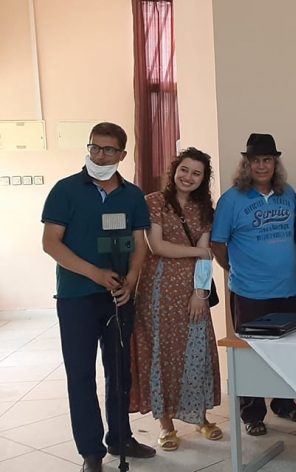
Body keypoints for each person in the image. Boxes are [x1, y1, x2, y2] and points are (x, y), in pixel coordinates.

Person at [41, 122, 157, 472]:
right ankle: (90, 451)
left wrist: (132, 280)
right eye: (95, 148)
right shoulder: (66, 190)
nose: (100, 156)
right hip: (77, 298)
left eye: (108, 150)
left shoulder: (133, 195)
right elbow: (51, 243)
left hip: (119, 298)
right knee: (80, 374)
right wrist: (94, 273)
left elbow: (140, 244)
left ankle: (120, 438)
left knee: (120, 373)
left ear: (122, 154)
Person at [211, 133, 296, 436]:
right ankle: (252, 413)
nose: (262, 166)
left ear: (275, 164)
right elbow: (217, 243)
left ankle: (284, 404)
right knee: (250, 353)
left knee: (285, 352)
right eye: (256, 160)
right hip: (248, 292)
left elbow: (295, 234)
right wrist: (233, 268)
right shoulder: (231, 200)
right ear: (247, 164)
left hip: (285, 289)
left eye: (268, 160)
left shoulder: (288, 194)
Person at [130, 147, 222, 451]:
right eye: (184, 170)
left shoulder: (205, 209)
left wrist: (200, 293)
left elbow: (206, 257)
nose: (188, 177)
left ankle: (200, 418)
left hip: (192, 292)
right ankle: (166, 426)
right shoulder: (154, 202)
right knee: (160, 354)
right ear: (175, 170)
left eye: (196, 173)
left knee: (196, 352)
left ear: (203, 178)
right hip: (157, 292)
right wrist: (198, 251)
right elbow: (157, 246)